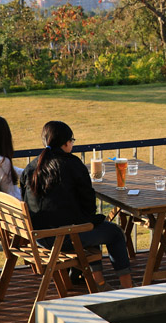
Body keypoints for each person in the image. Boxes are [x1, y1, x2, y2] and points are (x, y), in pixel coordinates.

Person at [20, 120, 133, 289]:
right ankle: (127, 287)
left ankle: (99, 281)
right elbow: (89, 203)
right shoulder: (71, 164)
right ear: (66, 142)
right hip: (62, 238)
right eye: (72, 140)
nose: (72, 143)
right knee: (114, 233)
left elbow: (26, 198)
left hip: (39, 237)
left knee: (90, 222)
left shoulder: (32, 166)